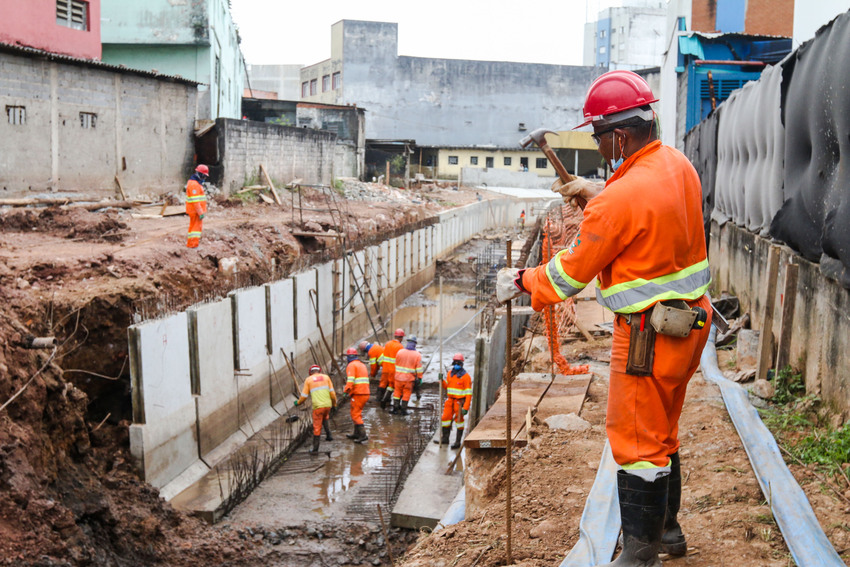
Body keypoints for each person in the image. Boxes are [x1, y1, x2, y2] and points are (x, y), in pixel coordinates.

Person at [496, 69, 712, 566]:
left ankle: (640, 556)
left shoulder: (619, 200)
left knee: (636, 443)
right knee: (663, 431)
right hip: (688, 326)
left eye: (599, 137)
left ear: (619, 133)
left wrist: (521, 280)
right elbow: (648, 213)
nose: (599, 147)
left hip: (645, 338)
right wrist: (599, 193)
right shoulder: (678, 166)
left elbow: (567, 278)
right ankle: (668, 532)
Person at [294, 364, 338, 454]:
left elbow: (304, 396)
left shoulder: (308, 380)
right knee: (325, 417)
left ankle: (315, 449)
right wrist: (334, 404)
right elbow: (333, 394)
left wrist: (298, 403)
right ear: (319, 371)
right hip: (327, 405)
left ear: (310, 372)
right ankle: (329, 435)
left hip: (318, 407)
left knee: (317, 427)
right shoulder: (326, 377)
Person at [434, 353, 472, 449]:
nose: (456, 365)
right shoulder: (450, 374)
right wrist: (442, 380)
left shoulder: (466, 377)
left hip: (459, 402)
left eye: (458, 363)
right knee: (445, 418)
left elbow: (468, 394)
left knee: (459, 421)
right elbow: (447, 386)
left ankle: (457, 442)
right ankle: (445, 439)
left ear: (462, 364)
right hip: (450, 400)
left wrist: (466, 407)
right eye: (455, 363)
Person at [344, 347, 370, 443]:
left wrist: (345, 391)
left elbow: (350, 381)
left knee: (355, 415)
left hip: (359, 393)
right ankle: (356, 433)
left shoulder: (351, 365)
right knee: (355, 412)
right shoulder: (361, 365)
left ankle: (363, 435)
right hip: (364, 392)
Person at [392, 335, 423, 416]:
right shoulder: (417, 355)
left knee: (397, 392)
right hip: (408, 379)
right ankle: (403, 410)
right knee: (406, 394)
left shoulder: (400, 352)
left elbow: (396, 364)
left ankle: (395, 409)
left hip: (398, 377)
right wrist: (419, 378)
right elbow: (419, 369)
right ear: (415, 344)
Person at [378, 329, 405, 410]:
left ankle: (379, 399)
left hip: (385, 368)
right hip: (393, 370)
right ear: (401, 337)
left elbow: (383, 356)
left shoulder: (387, 344)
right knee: (392, 386)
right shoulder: (400, 346)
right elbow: (400, 360)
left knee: (383, 383)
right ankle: (385, 400)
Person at [185, 164, 209, 248]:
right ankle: (193, 245)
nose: (204, 178)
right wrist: (200, 212)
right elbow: (196, 201)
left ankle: (190, 244)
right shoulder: (194, 184)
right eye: (204, 176)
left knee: (192, 228)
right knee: (196, 228)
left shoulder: (195, 183)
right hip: (195, 211)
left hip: (194, 210)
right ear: (200, 174)